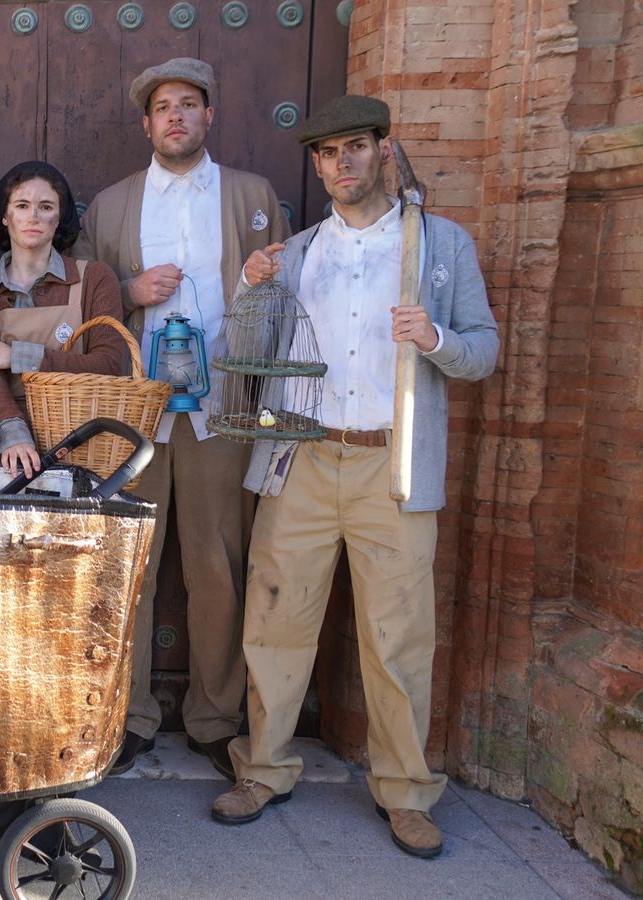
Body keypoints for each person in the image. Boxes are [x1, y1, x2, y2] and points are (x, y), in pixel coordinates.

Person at [212, 96, 498, 858]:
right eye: (328, 153)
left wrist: (432, 336)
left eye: (357, 147)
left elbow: (483, 351)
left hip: (391, 463)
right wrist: (250, 286)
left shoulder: (439, 246)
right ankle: (264, 769)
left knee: (398, 635)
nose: (343, 163)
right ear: (316, 165)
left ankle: (406, 792)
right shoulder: (298, 251)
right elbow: (252, 347)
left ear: (383, 150)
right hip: (300, 454)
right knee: (276, 620)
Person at [77, 57, 291, 778]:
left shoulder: (252, 195)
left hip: (221, 410)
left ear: (208, 117)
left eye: (189, 104)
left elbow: (286, 298)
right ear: (146, 124)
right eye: (163, 106)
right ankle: (126, 714)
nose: (176, 116)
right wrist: (130, 290)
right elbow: (85, 304)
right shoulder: (110, 205)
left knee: (217, 566)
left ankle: (212, 717)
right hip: (136, 414)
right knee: (129, 568)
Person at [0, 161, 127, 477]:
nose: (34, 216)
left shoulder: (94, 278)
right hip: (8, 447)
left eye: (46, 206)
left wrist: (17, 356)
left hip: (83, 436)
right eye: (22, 205)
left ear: (59, 217)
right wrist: (13, 434)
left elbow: (109, 365)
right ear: (5, 215)